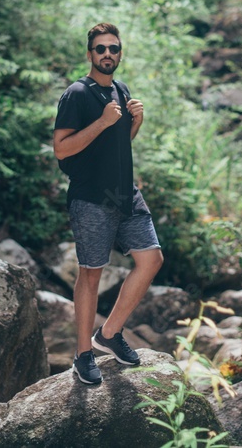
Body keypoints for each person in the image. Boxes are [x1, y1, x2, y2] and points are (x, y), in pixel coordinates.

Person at [53, 22, 164, 385]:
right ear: (90, 54)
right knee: (91, 274)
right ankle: (83, 354)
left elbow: (119, 143)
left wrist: (135, 123)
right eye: (100, 49)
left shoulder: (120, 89)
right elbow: (62, 149)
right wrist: (102, 122)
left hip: (124, 192)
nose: (107, 55)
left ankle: (110, 334)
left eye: (113, 49)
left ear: (120, 53)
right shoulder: (76, 94)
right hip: (90, 197)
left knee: (151, 259)